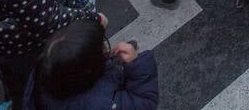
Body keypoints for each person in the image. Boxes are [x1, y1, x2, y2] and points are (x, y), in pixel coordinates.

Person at [24, 18, 159, 110]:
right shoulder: (104, 104)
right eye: (102, 47)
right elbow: (145, 102)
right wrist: (136, 65)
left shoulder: (44, 69)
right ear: (89, 69)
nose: (106, 48)